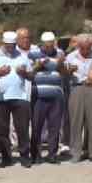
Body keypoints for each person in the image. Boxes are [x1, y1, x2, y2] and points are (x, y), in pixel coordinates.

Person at [0, 31, 33, 167]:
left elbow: (32, 76)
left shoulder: (22, 56)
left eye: (13, 45)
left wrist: (23, 73)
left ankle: (25, 156)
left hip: (20, 96)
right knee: (2, 129)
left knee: (22, 128)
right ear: (3, 43)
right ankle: (6, 158)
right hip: (1, 97)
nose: (11, 48)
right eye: (8, 45)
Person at [62, 34, 92, 162]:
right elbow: (64, 74)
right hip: (76, 88)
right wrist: (69, 71)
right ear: (78, 46)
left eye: (88, 47)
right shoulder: (71, 57)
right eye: (82, 47)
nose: (85, 50)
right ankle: (75, 152)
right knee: (76, 121)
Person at [30, 32, 67, 163]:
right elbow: (30, 72)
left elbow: (64, 73)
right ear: (42, 44)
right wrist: (39, 65)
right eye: (46, 46)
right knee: (37, 126)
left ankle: (52, 154)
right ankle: (35, 154)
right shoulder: (33, 53)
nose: (48, 48)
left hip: (56, 95)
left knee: (55, 126)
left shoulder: (60, 53)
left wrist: (61, 64)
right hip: (38, 95)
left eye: (51, 45)